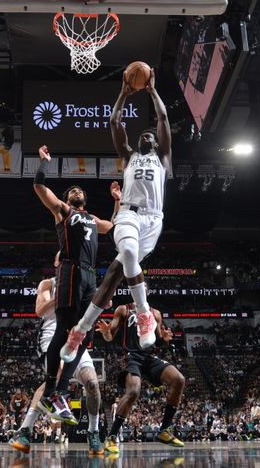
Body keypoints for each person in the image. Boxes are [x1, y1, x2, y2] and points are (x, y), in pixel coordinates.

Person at [62, 68, 172, 361]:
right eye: (143, 134)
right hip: (129, 215)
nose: (147, 135)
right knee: (128, 252)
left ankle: (81, 330)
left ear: (159, 143)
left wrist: (151, 91)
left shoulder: (162, 158)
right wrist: (124, 92)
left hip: (153, 221)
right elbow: (114, 121)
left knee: (114, 273)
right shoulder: (129, 156)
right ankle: (145, 314)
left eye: (151, 135)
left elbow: (162, 118)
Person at [31, 145, 115, 427]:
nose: (77, 191)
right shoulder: (64, 212)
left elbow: (110, 227)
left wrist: (116, 200)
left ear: (86, 198)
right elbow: (39, 187)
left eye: (80, 191)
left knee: (84, 334)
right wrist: (44, 163)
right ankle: (52, 390)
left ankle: (58, 393)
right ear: (68, 199)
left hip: (91, 276)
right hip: (71, 271)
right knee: (66, 329)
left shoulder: (92, 219)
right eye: (73, 191)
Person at [10, 249, 114, 456]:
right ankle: (25, 430)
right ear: (57, 264)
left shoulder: (85, 282)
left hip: (75, 338)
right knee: (56, 375)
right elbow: (39, 311)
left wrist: (100, 298)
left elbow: (106, 302)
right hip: (51, 336)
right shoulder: (48, 284)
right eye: (65, 259)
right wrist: (65, 295)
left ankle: (93, 433)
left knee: (92, 384)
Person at [95, 301, 185, 455]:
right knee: (133, 392)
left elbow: (157, 339)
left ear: (146, 291)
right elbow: (110, 336)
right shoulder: (124, 309)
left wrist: (163, 338)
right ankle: (111, 437)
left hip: (150, 357)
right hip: (132, 356)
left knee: (179, 379)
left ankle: (164, 430)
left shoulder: (155, 313)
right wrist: (105, 332)